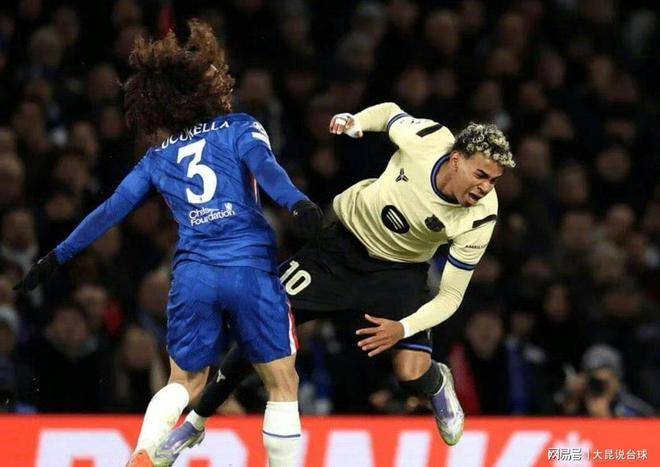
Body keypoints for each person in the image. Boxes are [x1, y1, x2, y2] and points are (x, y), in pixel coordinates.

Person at [14, 20, 323, 467]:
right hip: (248, 268)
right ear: (202, 91)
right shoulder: (240, 127)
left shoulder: (157, 158)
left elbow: (109, 210)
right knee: (282, 381)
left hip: (193, 274)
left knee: (185, 382)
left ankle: (144, 452)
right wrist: (299, 205)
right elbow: (267, 170)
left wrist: (55, 257)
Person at [158, 101, 515, 463]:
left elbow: (451, 295)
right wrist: (356, 121)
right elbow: (390, 114)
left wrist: (402, 328)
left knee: (409, 373)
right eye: (481, 175)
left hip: (398, 275)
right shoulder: (428, 140)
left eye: (494, 181)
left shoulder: (482, 216)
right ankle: (195, 423)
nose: (485, 188)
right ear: (455, 159)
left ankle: (436, 382)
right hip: (338, 251)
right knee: (259, 328)